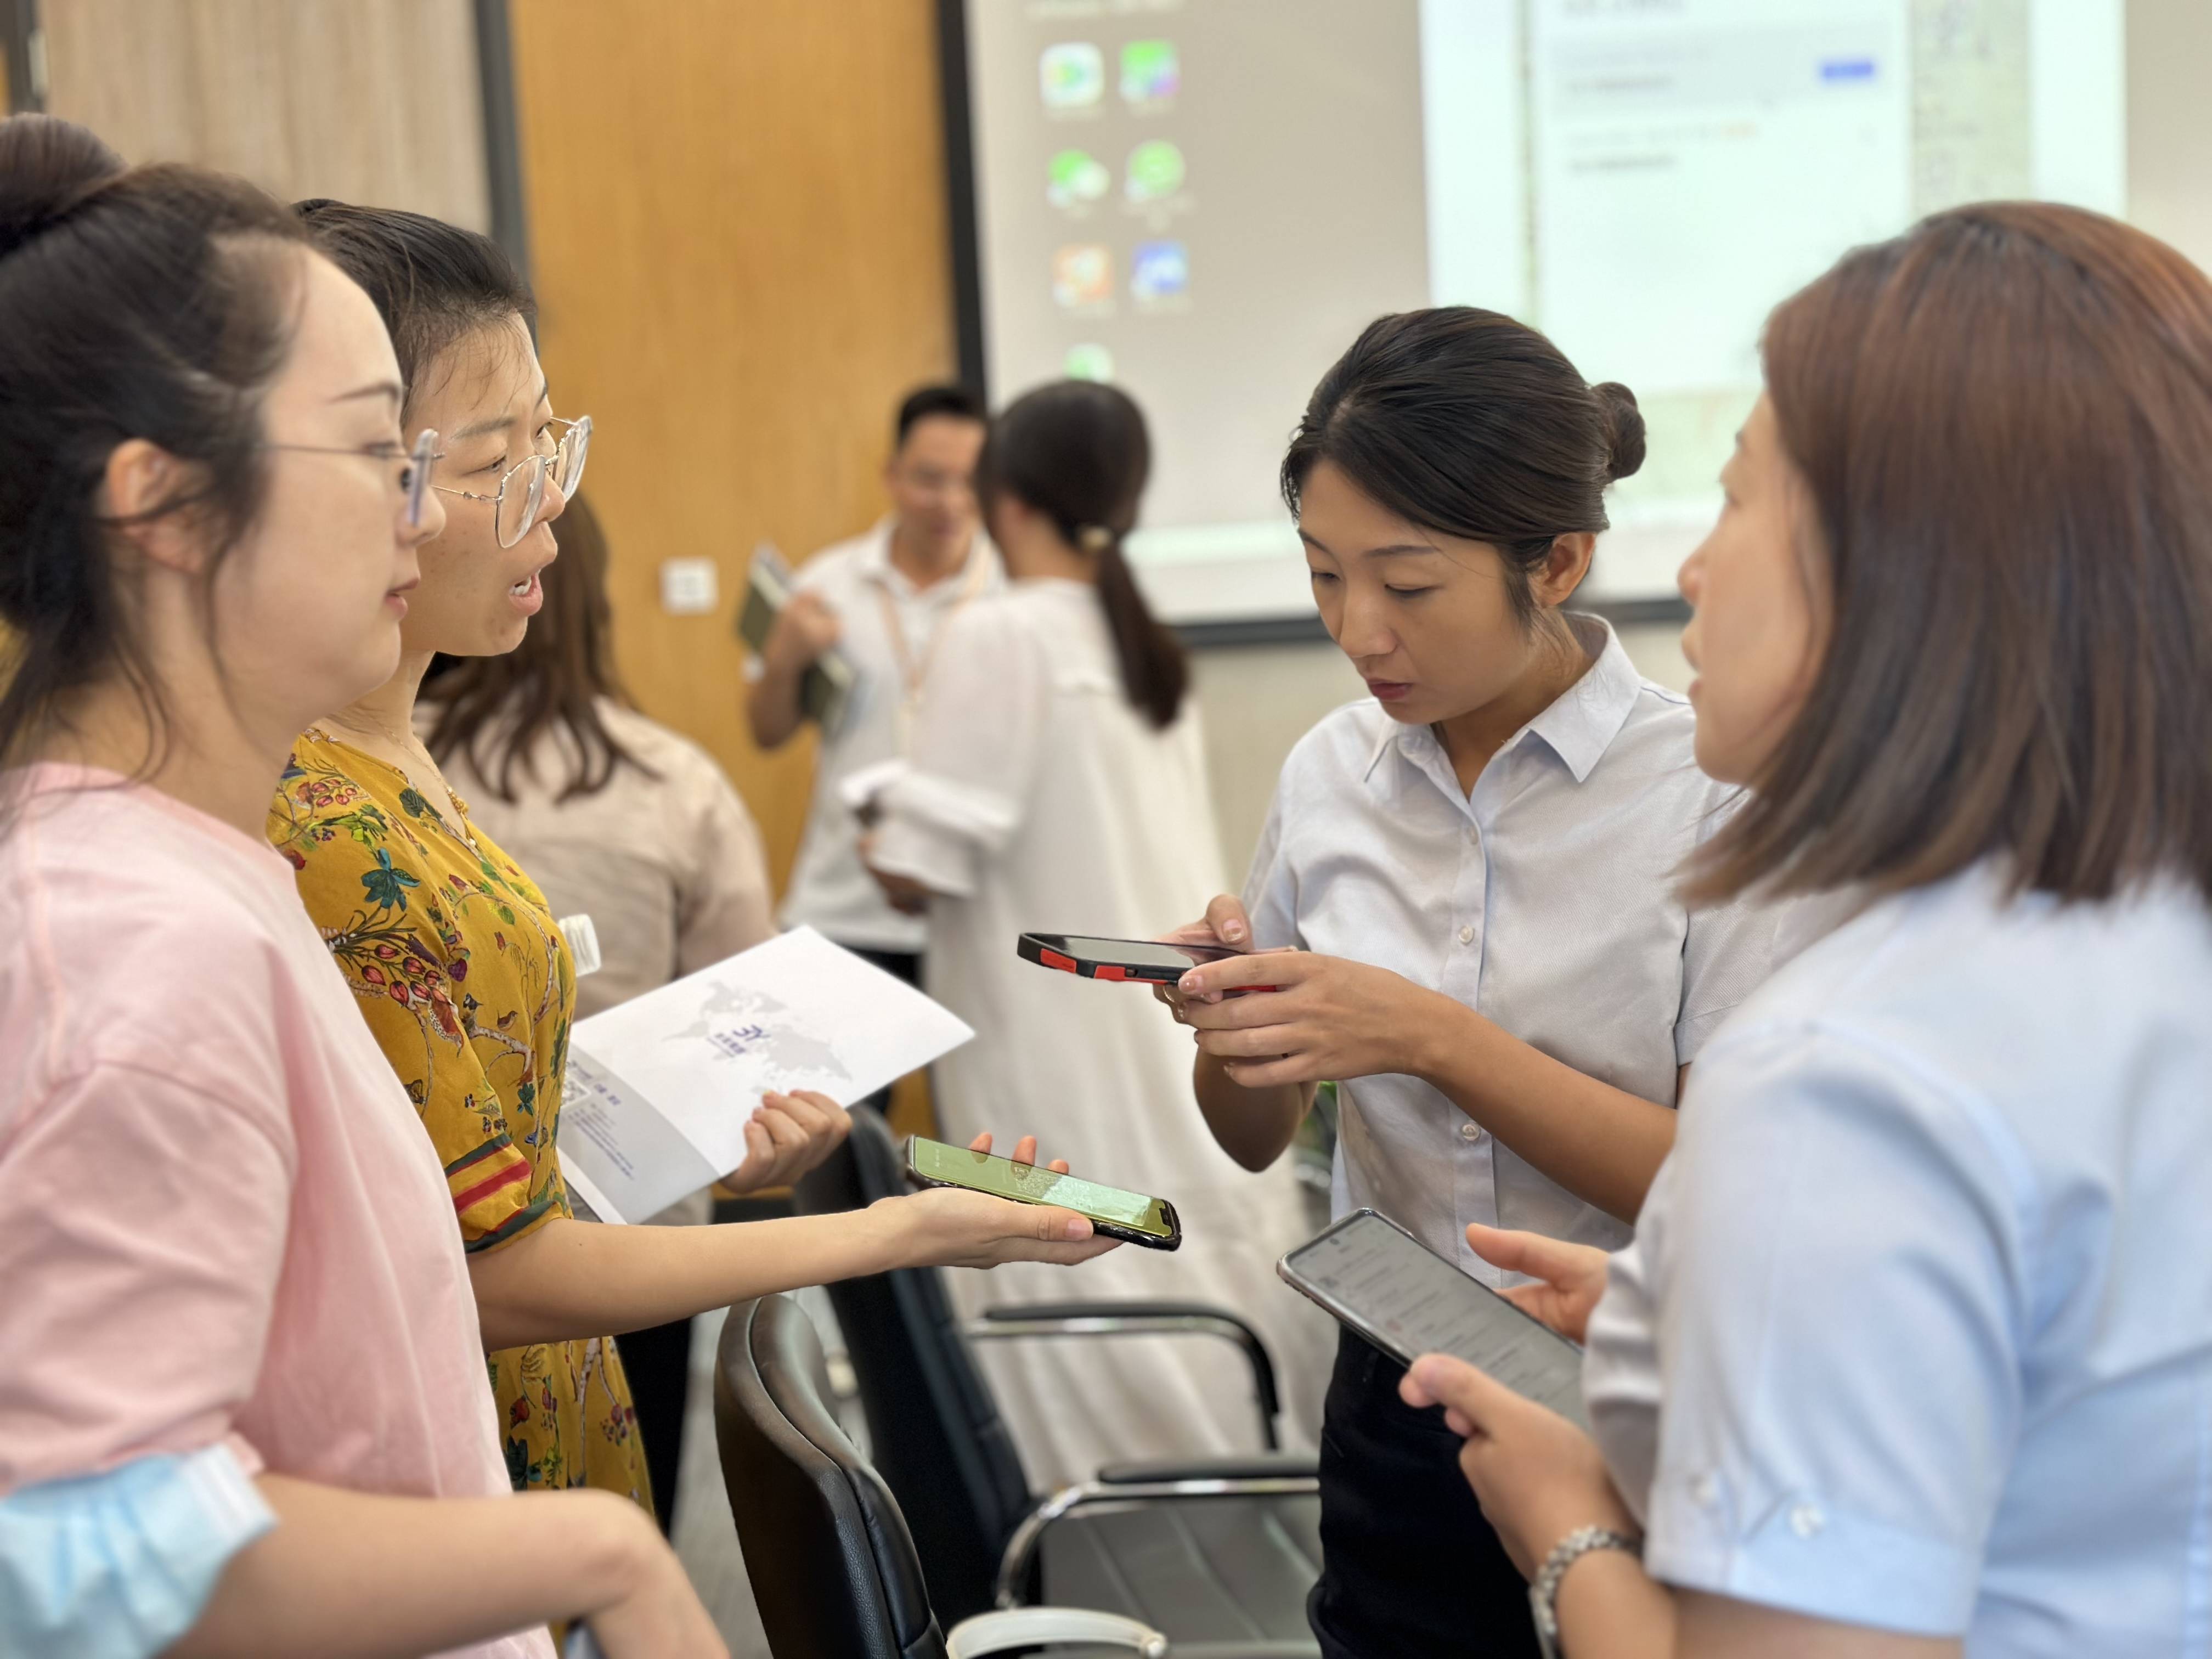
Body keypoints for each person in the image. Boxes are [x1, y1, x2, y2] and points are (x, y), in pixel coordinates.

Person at [1400, 203, 2212, 1659]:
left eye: (1737, 499)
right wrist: (1716, 1303)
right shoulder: (2140, 940)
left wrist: (1568, 1529)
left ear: (1901, 569)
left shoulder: (1856, 1073)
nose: (1696, 569)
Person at [270, 200, 1116, 1519]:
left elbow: (449, 1163)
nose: (553, 499)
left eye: (551, 439)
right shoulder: (317, 813)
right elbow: (476, 1267)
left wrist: (664, 1137)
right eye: (505, 457)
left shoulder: (396, 752)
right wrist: (900, 1228)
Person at [0, 115, 721, 1658]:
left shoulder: (204, 866)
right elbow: (72, 1544)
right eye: (370, 451)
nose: (419, 511)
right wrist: (601, 1557)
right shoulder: (130, 941)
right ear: (165, 506)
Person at [1152, 308, 1785, 1657]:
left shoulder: (1708, 798)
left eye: (1409, 584)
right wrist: (1232, 1025)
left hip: (1634, 1398)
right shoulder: (1332, 772)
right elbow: (1255, 1138)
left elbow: (1723, 1193)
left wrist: (1432, 1038)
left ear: (1554, 562)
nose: (1356, 629)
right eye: (1325, 575)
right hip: (1392, 1393)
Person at [862, 379, 1334, 1486]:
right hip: (1160, 1030)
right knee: (1166, 1239)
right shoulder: (1136, 634)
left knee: (1064, 1238)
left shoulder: (1001, 631)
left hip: (1051, 1035)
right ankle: (1213, 1505)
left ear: (1006, 500)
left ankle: (1097, 1525)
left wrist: (874, 823)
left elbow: (917, 872)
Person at [426, 488, 776, 1526]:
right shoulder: (677, 784)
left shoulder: (369, 778)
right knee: (624, 1526)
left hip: (442, 1220)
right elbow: (745, 1016)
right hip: (637, 1226)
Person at [747, 382, 998, 1001]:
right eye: (929, 479)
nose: (950, 501)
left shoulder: (1012, 593)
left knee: (971, 1103)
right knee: (834, 1098)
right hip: (843, 906)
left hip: (974, 908)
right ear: (891, 474)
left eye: (969, 481)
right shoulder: (828, 584)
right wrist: (784, 661)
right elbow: (766, 731)